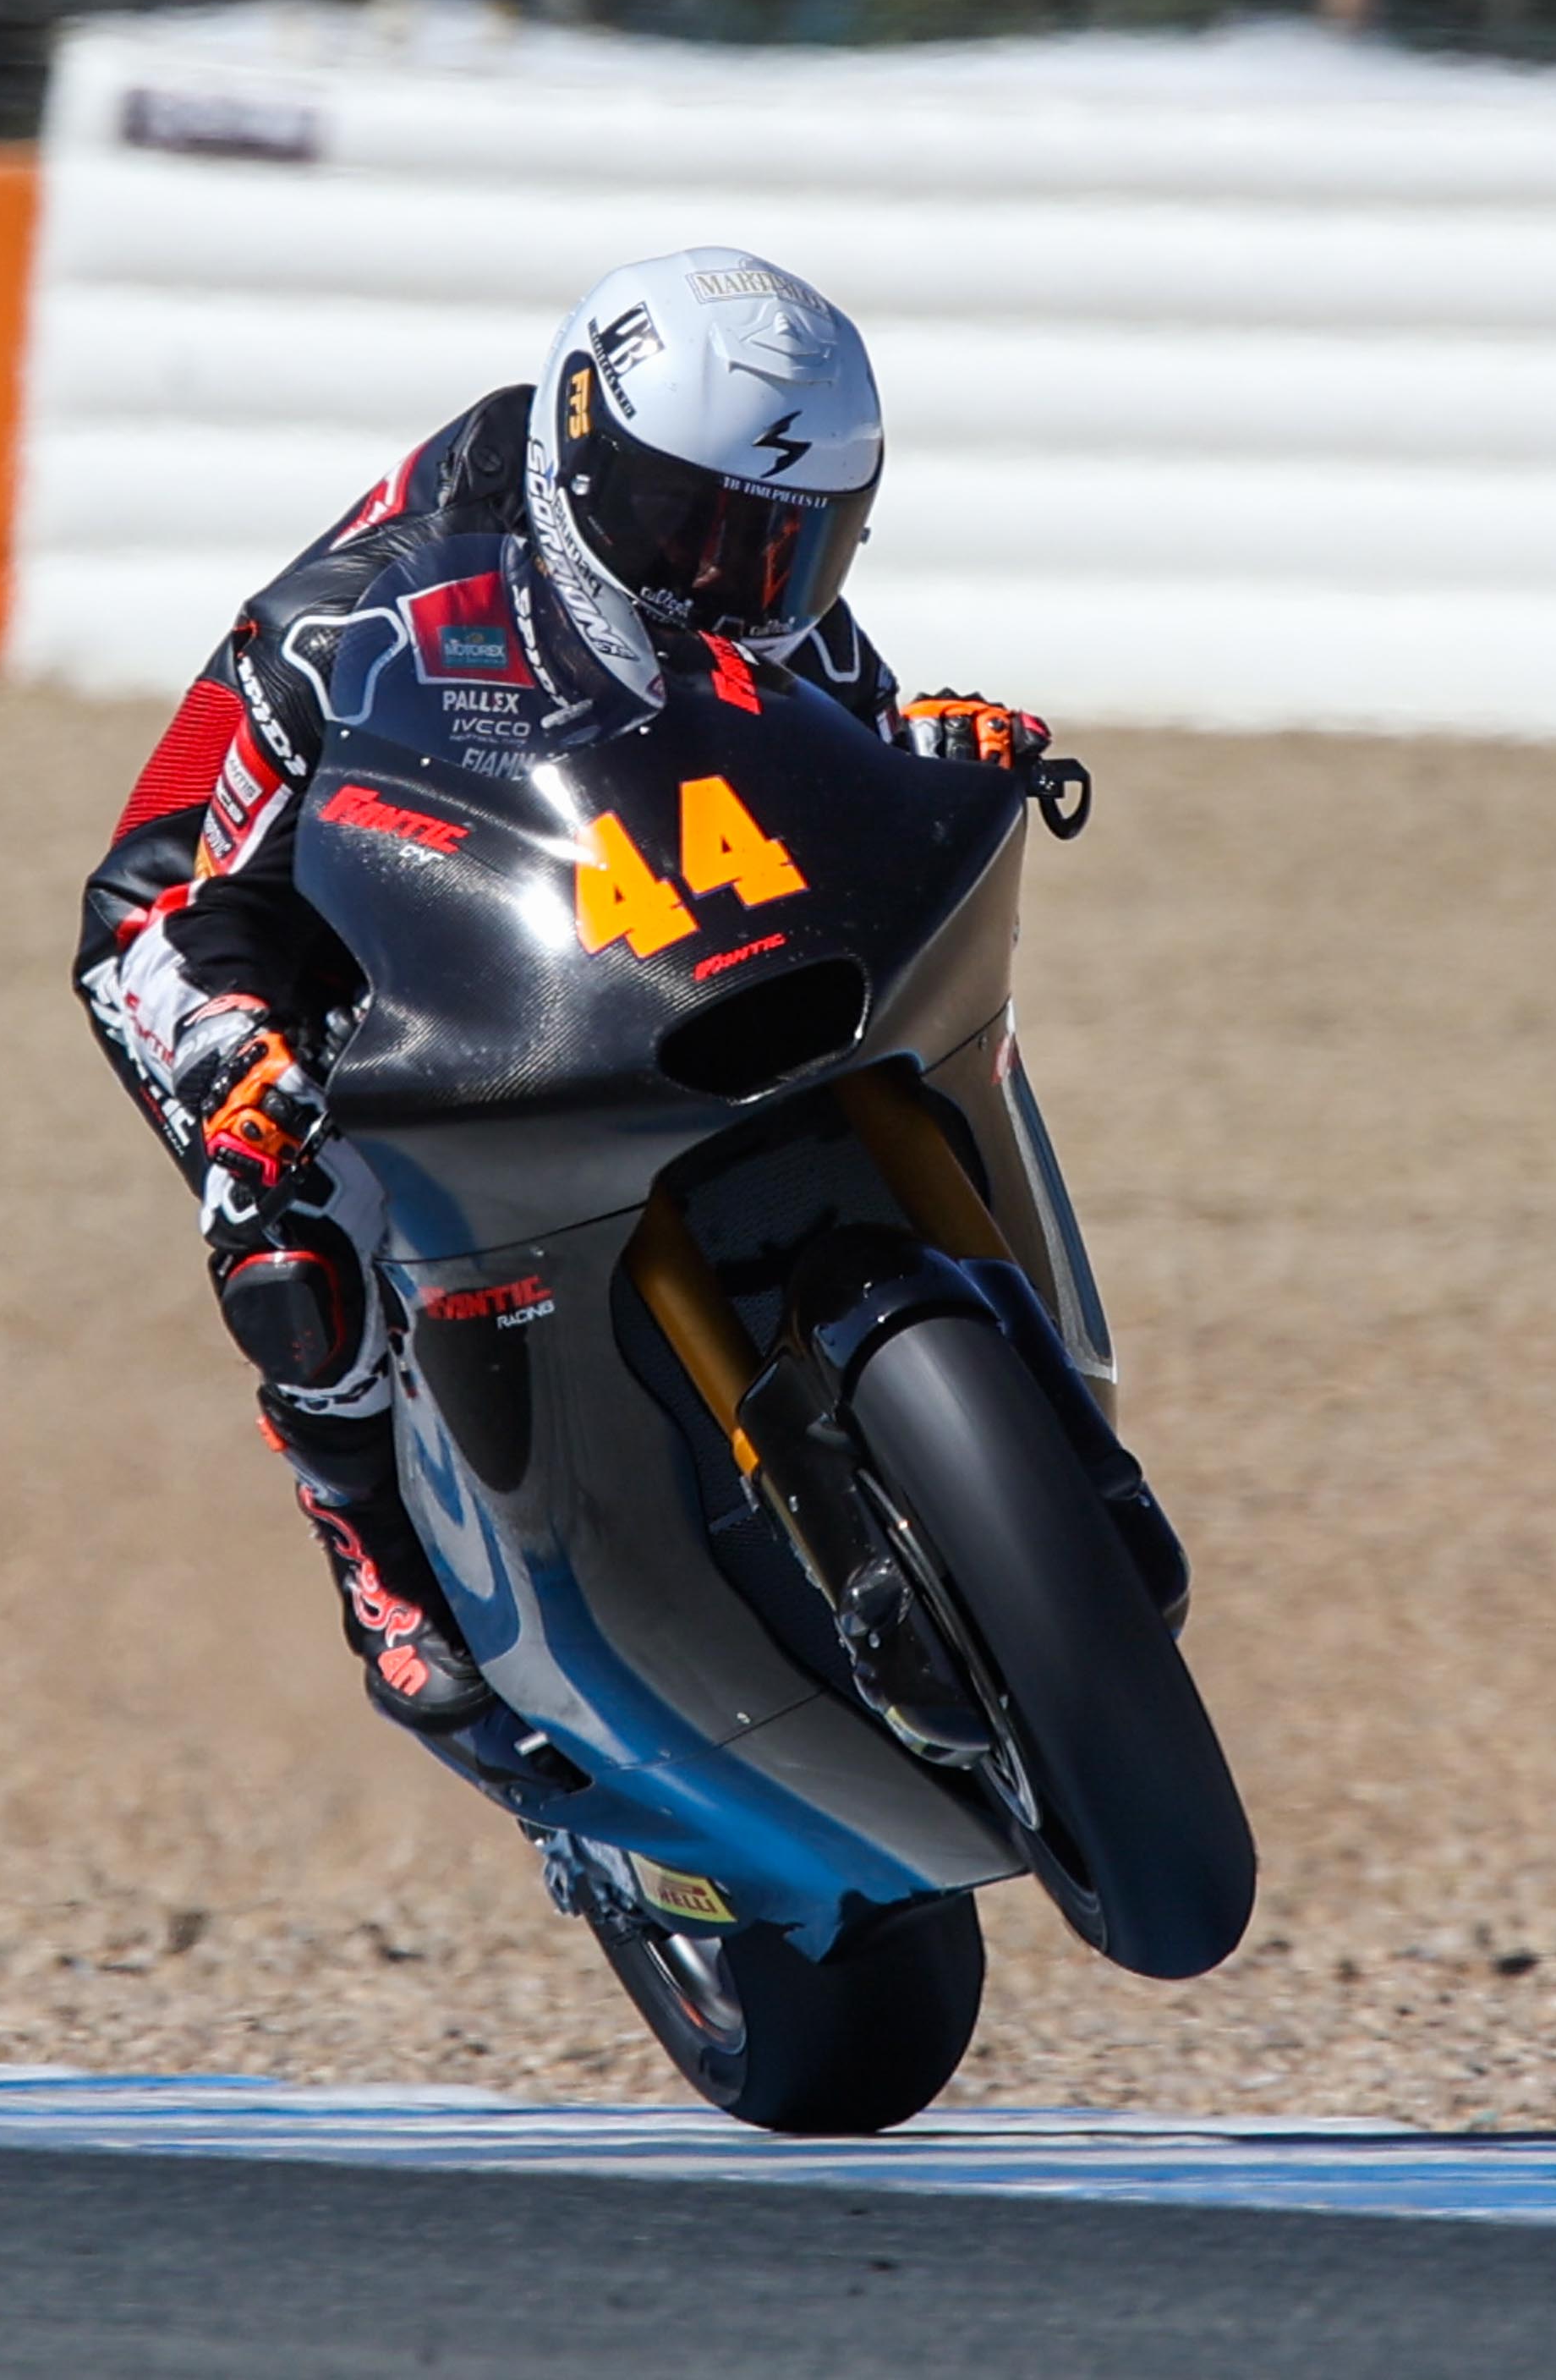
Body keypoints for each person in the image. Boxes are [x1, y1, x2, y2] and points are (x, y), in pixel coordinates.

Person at [74, 248, 1055, 1736]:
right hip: (225, 910)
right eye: (691, 535)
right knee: (286, 1218)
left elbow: (845, 742)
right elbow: (191, 909)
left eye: (785, 548)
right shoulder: (355, 627)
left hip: (565, 873)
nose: (731, 587)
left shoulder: (765, 606)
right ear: (581, 462)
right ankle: (373, 1549)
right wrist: (232, 1048)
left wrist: (928, 746)